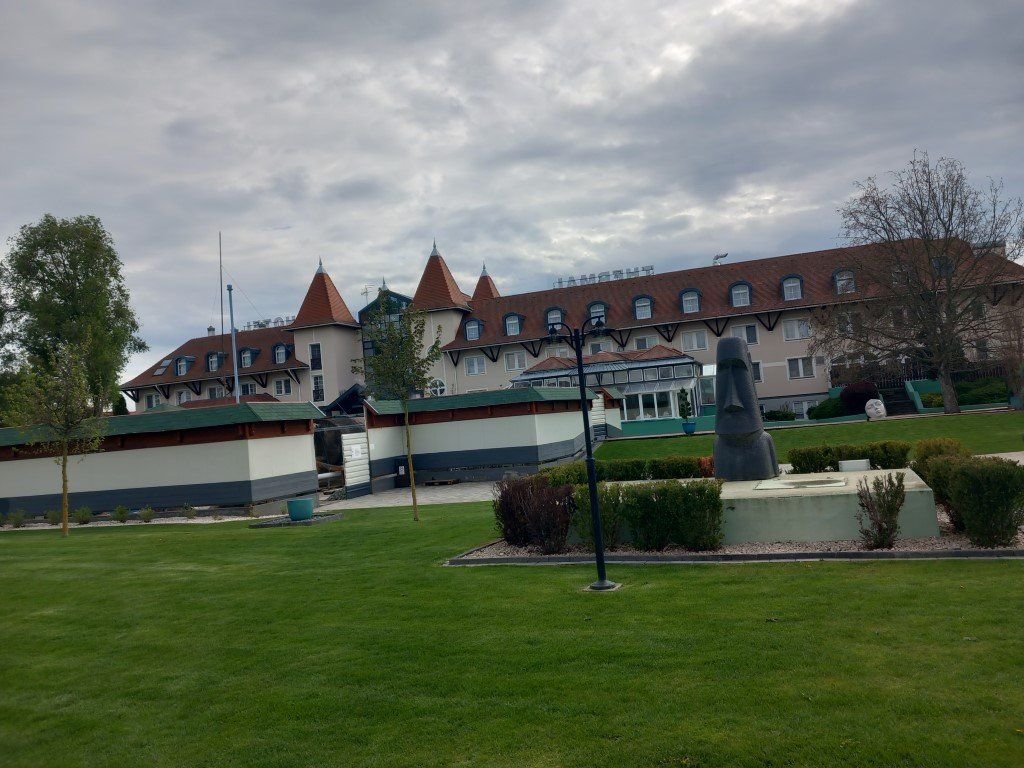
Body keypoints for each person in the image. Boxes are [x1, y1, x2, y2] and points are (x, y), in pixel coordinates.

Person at [713, 337, 779, 480]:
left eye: (739, 370)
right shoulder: (719, 446)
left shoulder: (764, 442)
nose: (732, 402)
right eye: (722, 371)